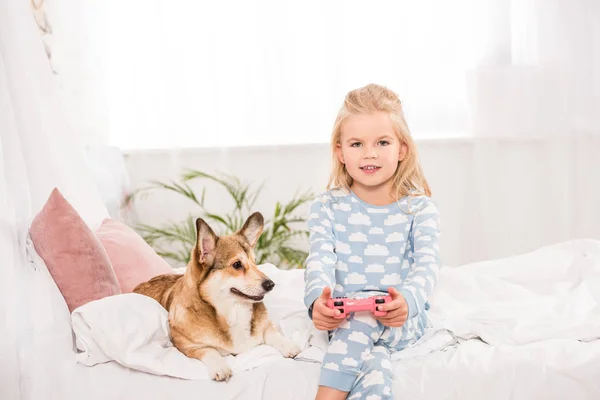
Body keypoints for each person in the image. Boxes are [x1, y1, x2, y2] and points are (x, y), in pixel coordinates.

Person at [304, 83, 442, 400]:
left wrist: (407, 300)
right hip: (345, 320)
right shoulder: (326, 206)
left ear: (402, 148)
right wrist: (317, 302)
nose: (370, 153)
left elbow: (428, 265)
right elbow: (319, 259)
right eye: (356, 144)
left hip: (399, 319)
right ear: (339, 151)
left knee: (363, 322)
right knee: (375, 374)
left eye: (382, 142)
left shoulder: (419, 209)